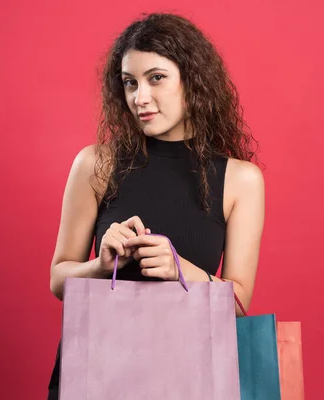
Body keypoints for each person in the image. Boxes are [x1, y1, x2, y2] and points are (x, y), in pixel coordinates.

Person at [46, 12, 265, 399]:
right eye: (130, 83)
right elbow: (59, 281)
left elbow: (238, 303)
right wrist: (102, 264)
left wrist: (178, 267)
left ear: (193, 81)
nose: (139, 98)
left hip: (189, 377)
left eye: (156, 78)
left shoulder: (241, 179)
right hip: (98, 375)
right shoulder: (96, 164)